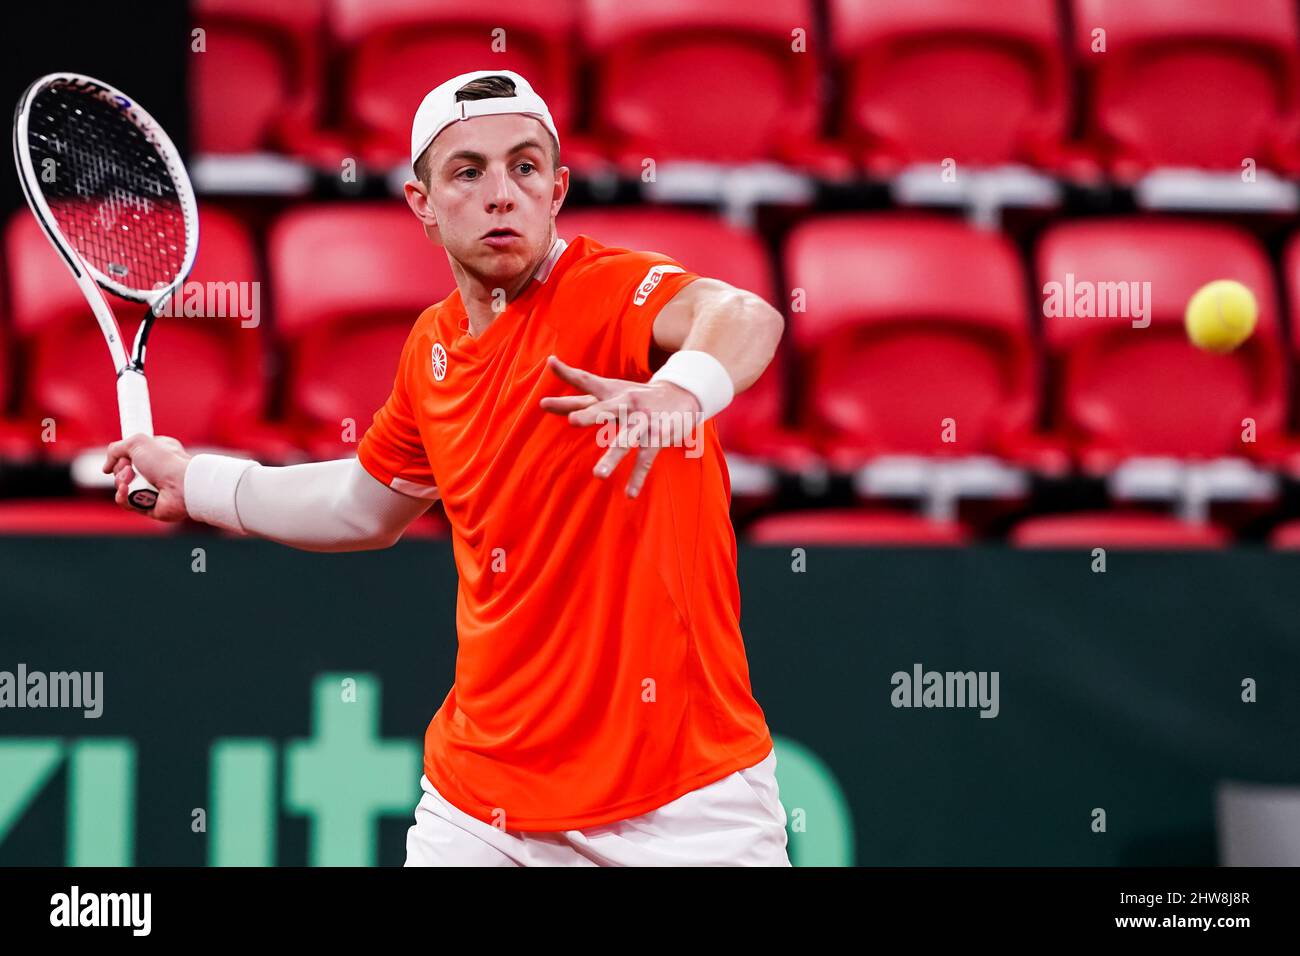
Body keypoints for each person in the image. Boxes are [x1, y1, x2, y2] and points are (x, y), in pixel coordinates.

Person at [104, 70, 789, 866]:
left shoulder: (609, 292)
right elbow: (363, 507)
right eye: (468, 171)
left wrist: (679, 388)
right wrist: (199, 482)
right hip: (481, 800)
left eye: (525, 167)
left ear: (558, 189)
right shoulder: (431, 350)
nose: (502, 193)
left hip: (684, 803)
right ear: (421, 204)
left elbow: (744, 316)